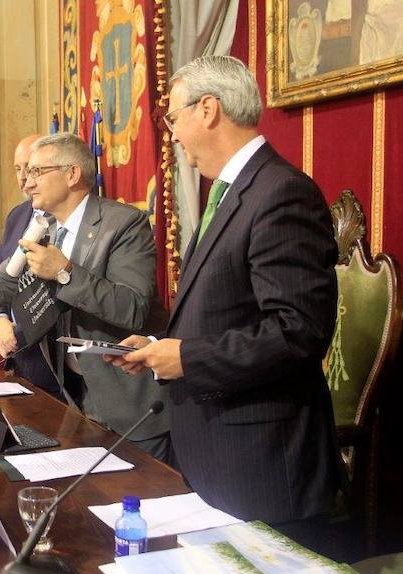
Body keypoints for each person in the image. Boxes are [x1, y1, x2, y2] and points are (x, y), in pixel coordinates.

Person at [107, 56, 343, 542]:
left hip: (261, 464)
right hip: (214, 450)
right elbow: (228, 309)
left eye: (172, 117)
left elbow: (298, 331)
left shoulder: (280, 193)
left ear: (208, 109)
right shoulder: (232, 192)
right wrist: (160, 346)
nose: (170, 134)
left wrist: (187, 357)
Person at [0, 133, 171, 461]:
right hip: (76, 400)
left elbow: (131, 308)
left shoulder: (123, 225)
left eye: (36, 172)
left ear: (72, 174)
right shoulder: (41, 228)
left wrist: (65, 273)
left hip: (130, 404)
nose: (27, 183)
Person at [0, 134, 62, 398]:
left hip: (55, 363)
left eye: (30, 169)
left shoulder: (65, 216)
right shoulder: (18, 215)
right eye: (17, 169)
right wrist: (0, 320)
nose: (22, 178)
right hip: (19, 361)